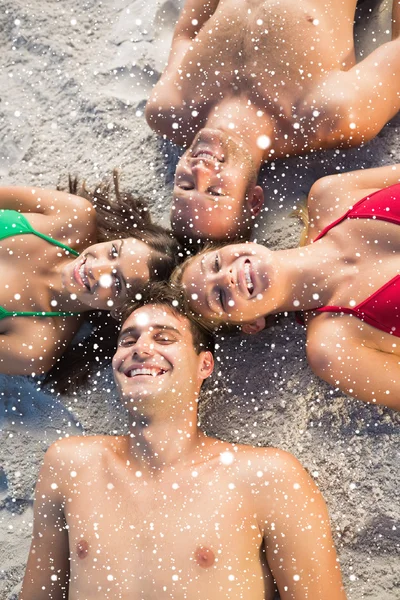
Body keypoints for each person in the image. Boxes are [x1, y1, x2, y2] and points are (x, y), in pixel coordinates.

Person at [19, 282, 347, 600]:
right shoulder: (70, 465)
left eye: (164, 338)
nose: (141, 348)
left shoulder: (268, 477)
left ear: (204, 364)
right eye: (127, 340)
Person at [145, 0, 400, 243]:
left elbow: (186, 34)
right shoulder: (328, 116)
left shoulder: (169, 109)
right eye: (215, 191)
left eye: (186, 185)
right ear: (254, 200)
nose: (200, 170)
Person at [172, 163, 400, 410]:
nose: (226, 277)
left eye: (216, 263)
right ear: (252, 323)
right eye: (219, 296)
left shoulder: (331, 194)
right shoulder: (334, 350)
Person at [0, 172, 180, 378]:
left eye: (116, 282)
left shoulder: (33, 345)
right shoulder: (73, 214)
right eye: (113, 252)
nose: (96, 268)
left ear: (120, 311)